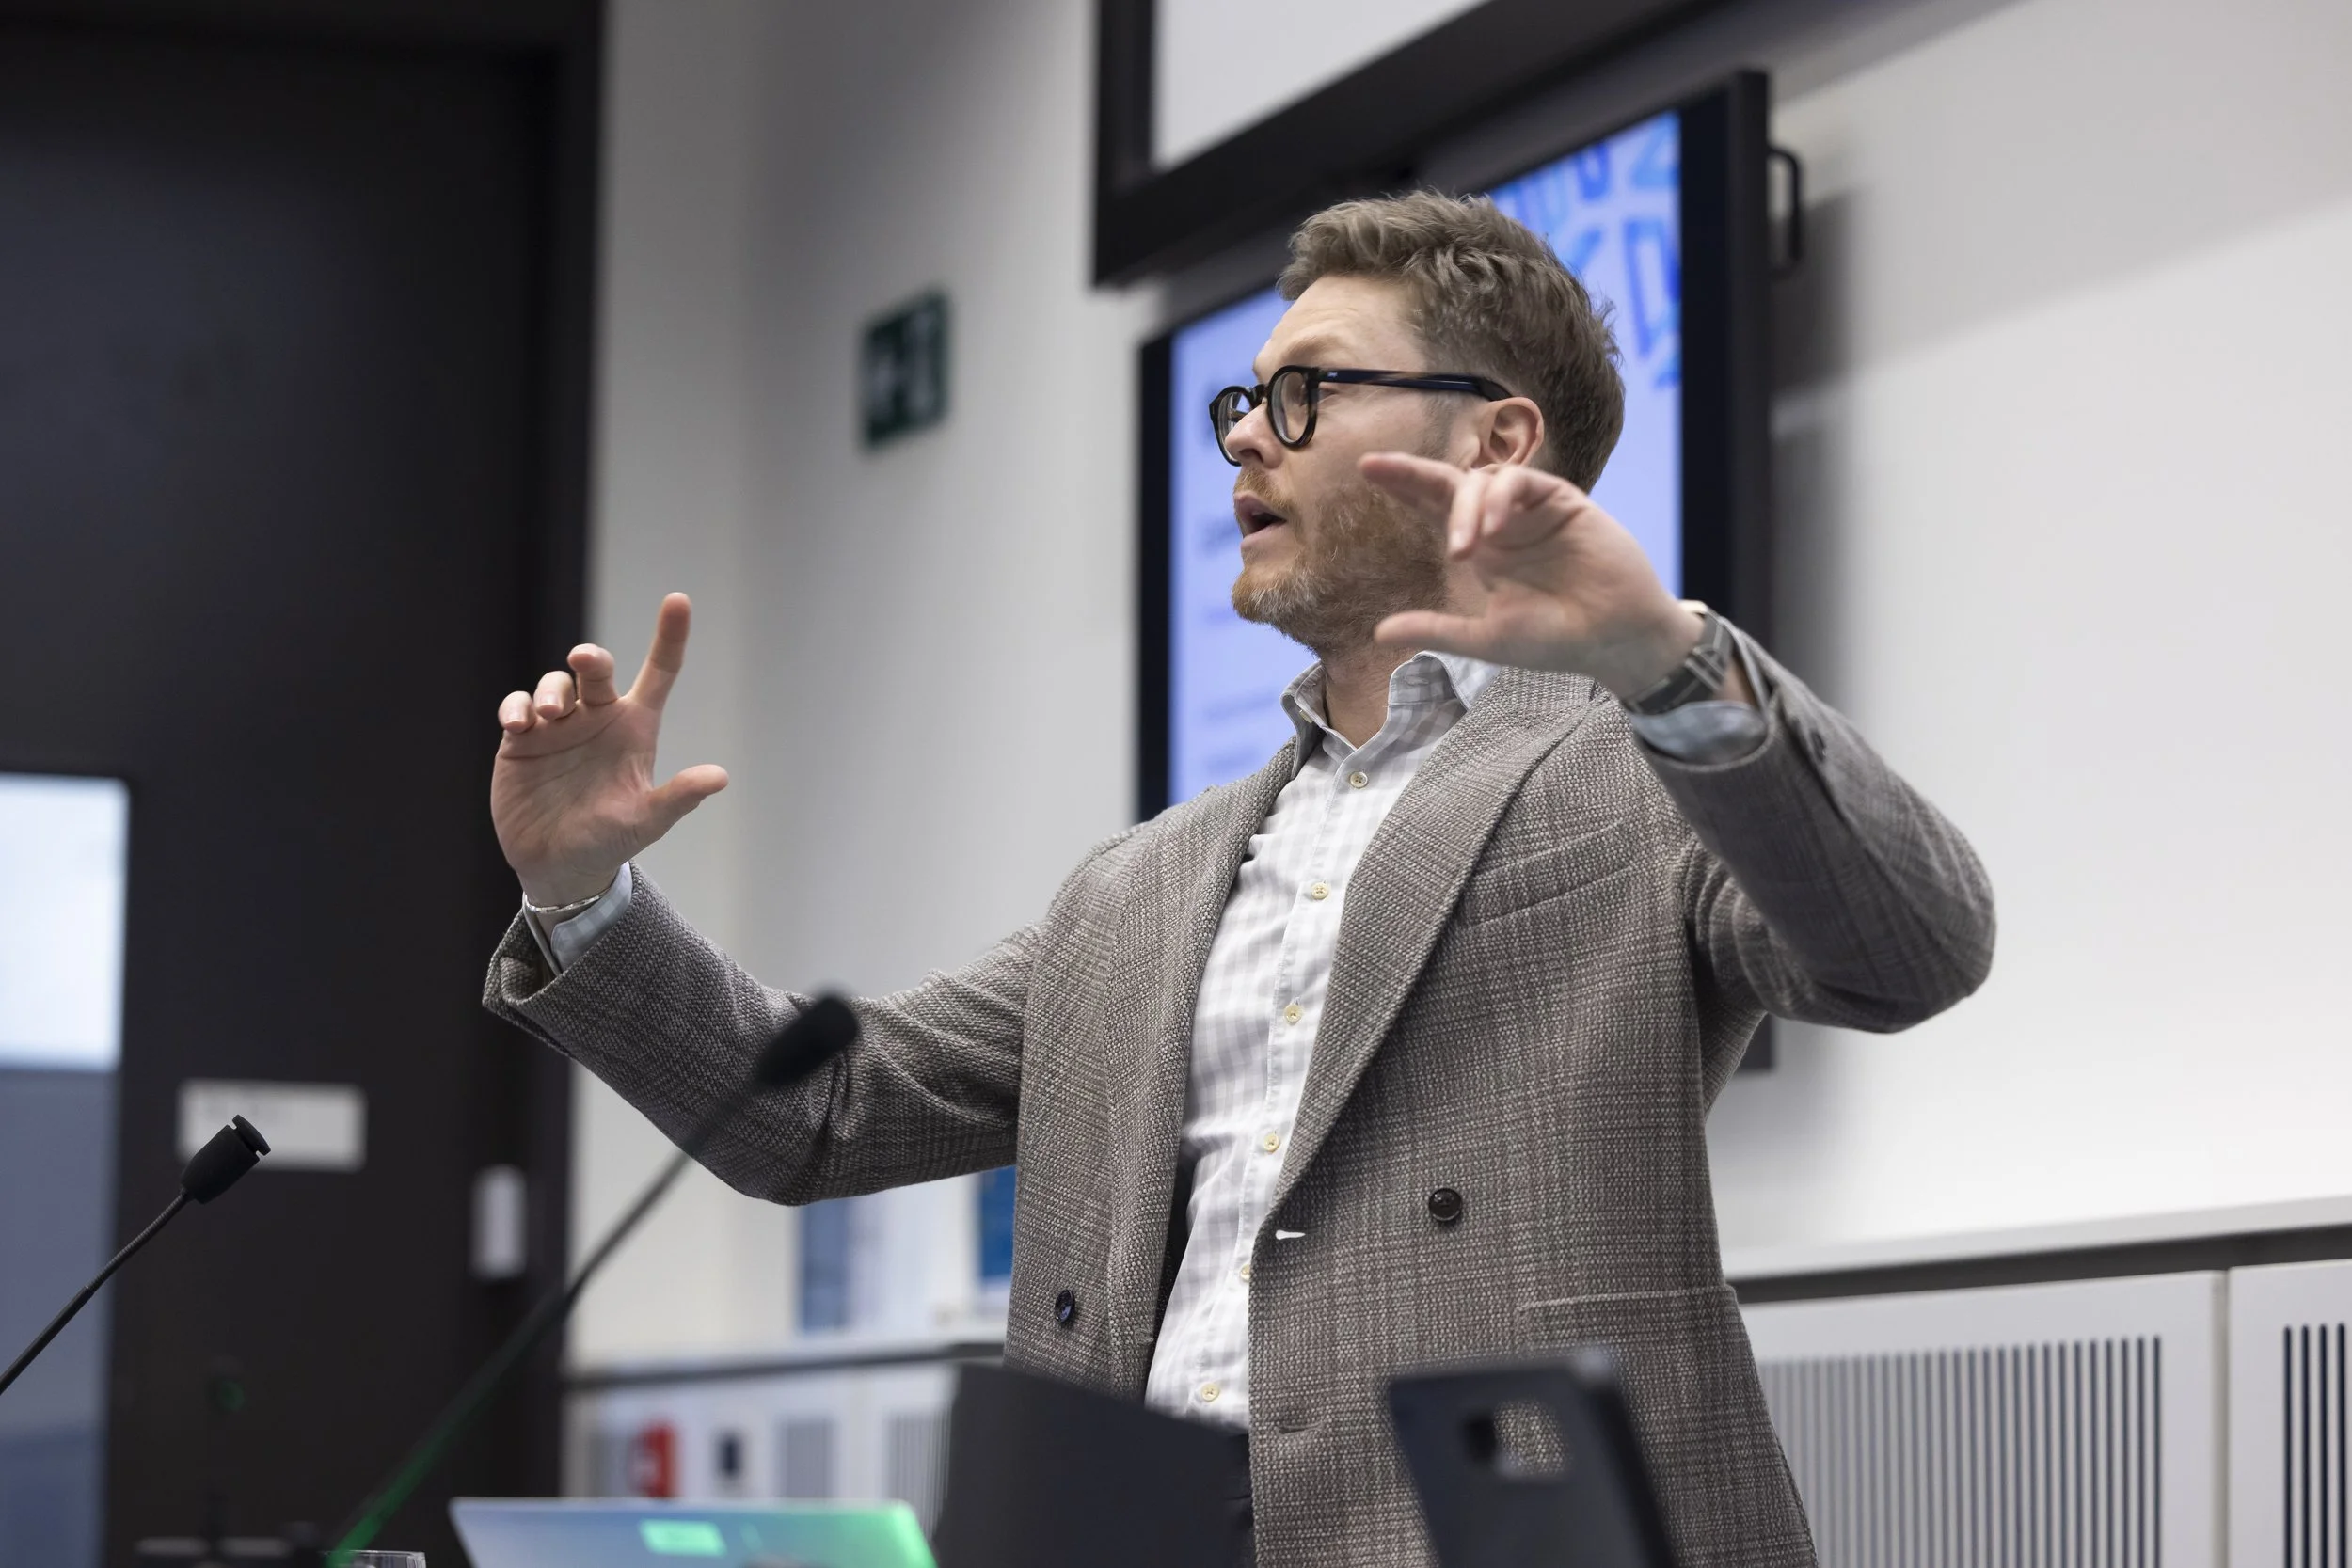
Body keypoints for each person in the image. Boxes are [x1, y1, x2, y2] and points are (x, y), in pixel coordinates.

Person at [482, 192, 1994, 1568]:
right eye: (1244, 402)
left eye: (1304, 393)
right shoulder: (1140, 883)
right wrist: (584, 894)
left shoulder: (1640, 765)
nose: (1246, 441)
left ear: (1495, 441)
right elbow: (819, 1112)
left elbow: (1910, 948)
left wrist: (1671, 662)